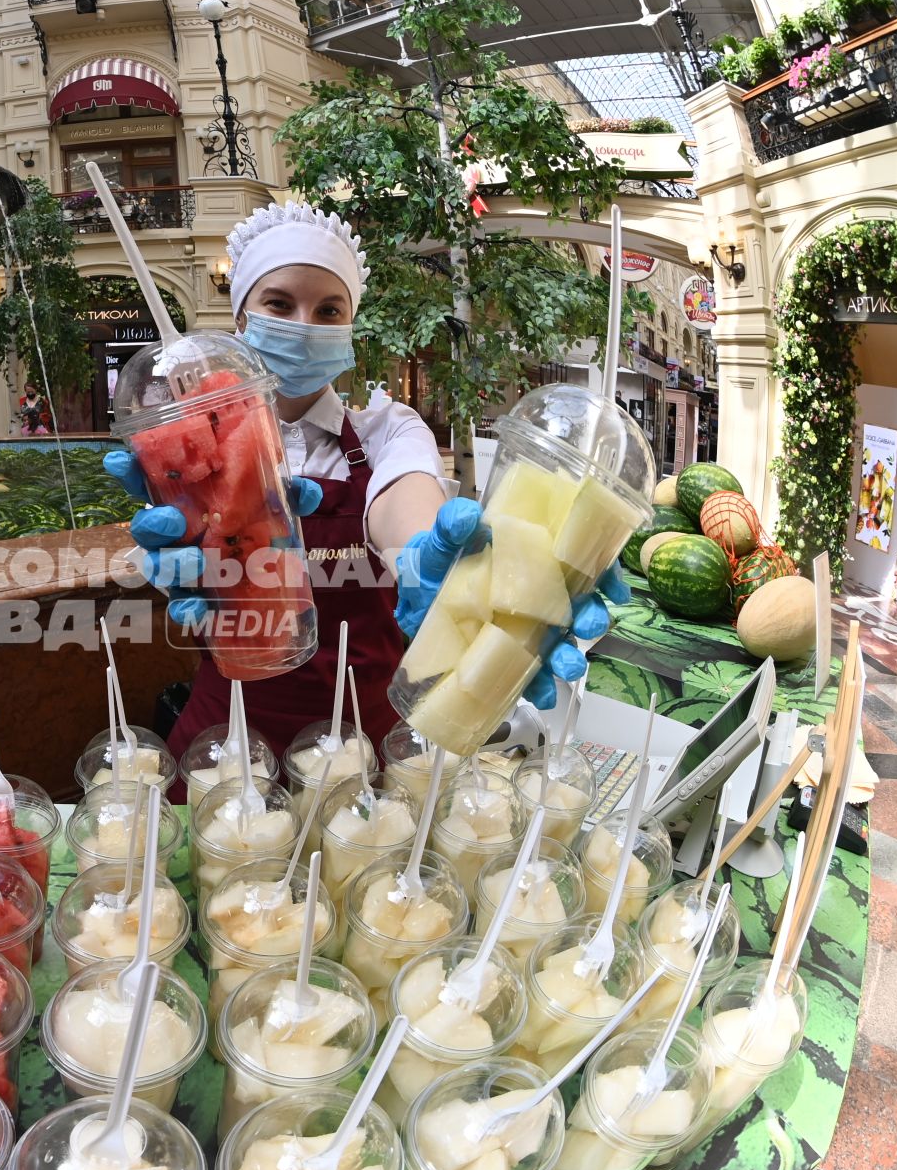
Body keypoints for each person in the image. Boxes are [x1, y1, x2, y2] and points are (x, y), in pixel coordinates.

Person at [110, 202, 623, 760]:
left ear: (350, 326)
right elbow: (175, 555)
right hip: (227, 736)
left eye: (329, 310)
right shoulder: (193, 452)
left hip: (365, 740)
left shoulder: (386, 429)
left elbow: (406, 505)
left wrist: (430, 559)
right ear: (241, 319)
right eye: (279, 303)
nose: (304, 325)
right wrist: (175, 538)